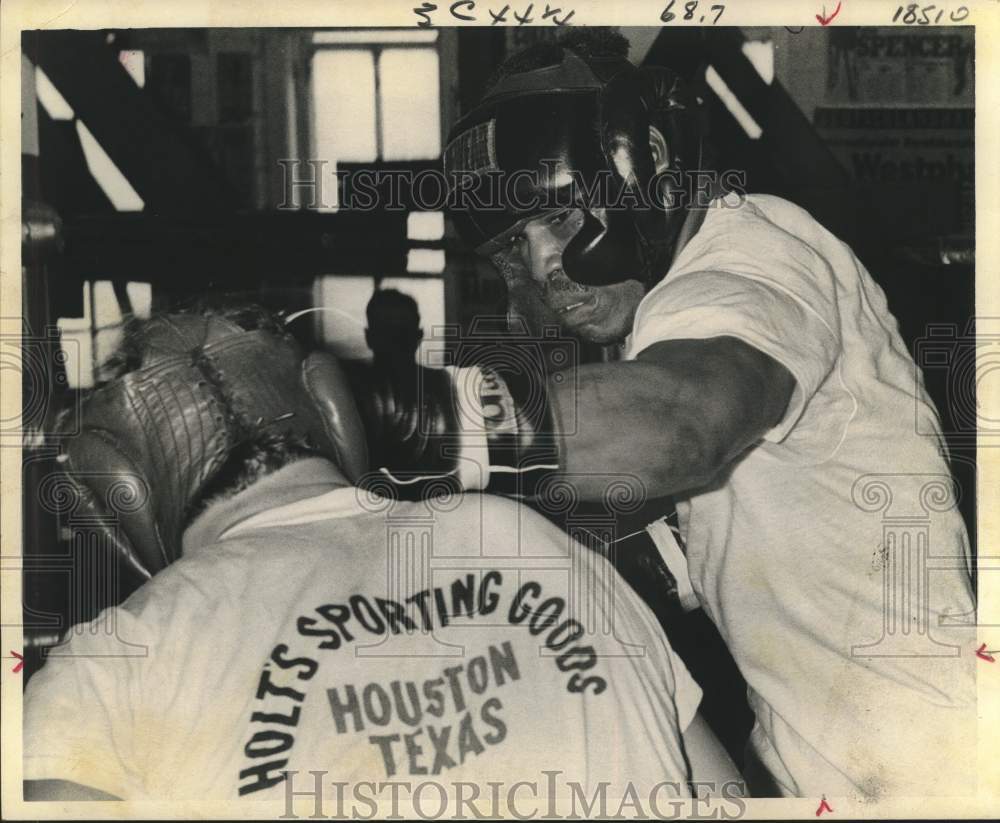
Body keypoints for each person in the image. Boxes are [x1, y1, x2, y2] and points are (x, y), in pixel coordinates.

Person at [359, 29, 977, 798]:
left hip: (928, 778)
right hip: (830, 764)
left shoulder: (746, 260)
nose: (547, 267)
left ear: (640, 162)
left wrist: (409, 418)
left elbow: (685, 422)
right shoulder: (668, 306)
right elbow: (699, 537)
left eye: (561, 217)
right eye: (520, 242)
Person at [22, 308, 741, 810]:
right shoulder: (536, 544)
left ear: (114, 489)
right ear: (332, 407)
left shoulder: (114, 666)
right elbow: (726, 797)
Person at [365, 287, 424, 368]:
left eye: (403, 332)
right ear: (419, 336)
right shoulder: (437, 379)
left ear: (369, 337)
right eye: (386, 331)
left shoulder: (350, 377)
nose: (395, 338)